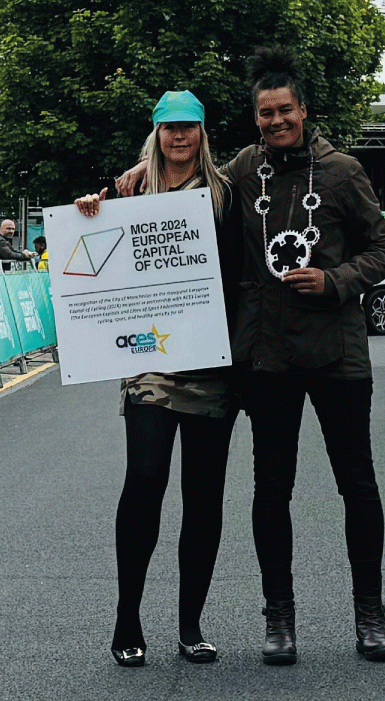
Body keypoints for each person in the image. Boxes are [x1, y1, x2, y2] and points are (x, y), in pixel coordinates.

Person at [223, 47, 385, 664]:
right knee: (271, 489)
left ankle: (370, 616)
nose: (276, 122)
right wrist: (129, 183)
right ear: (257, 119)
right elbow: (189, 196)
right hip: (268, 355)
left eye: (285, 110)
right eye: (266, 114)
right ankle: (279, 618)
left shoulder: (344, 171)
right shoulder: (244, 170)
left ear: (304, 109)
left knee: (358, 484)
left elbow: (384, 249)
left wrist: (336, 280)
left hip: (338, 353)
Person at [75, 91, 239, 668]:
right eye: (169, 128)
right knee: (144, 479)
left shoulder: (225, 194)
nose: (179, 137)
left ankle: (190, 624)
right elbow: (92, 245)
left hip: (211, 365)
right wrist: (88, 212)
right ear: (156, 133)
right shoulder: (129, 191)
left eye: (189, 128)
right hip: (149, 361)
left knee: (203, 498)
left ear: (202, 132)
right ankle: (127, 616)